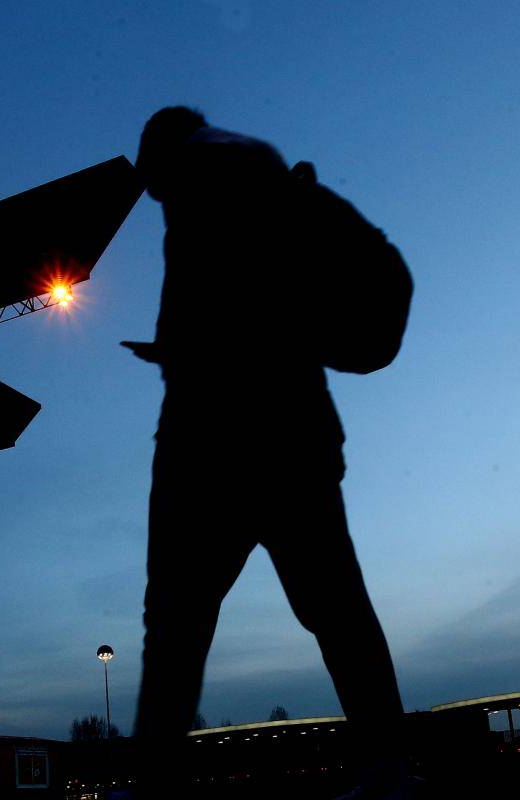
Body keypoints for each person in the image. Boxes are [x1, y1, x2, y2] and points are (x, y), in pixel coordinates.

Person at [121, 107, 414, 799]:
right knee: (336, 610)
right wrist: (186, 350)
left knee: (176, 624)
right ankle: (387, 769)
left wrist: (200, 356)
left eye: (150, 180)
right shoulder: (247, 168)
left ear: (161, 154)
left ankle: (158, 780)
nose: (151, 196)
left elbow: (242, 308)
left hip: (219, 448)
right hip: (288, 437)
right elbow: (257, 304)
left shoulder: (211, 170)